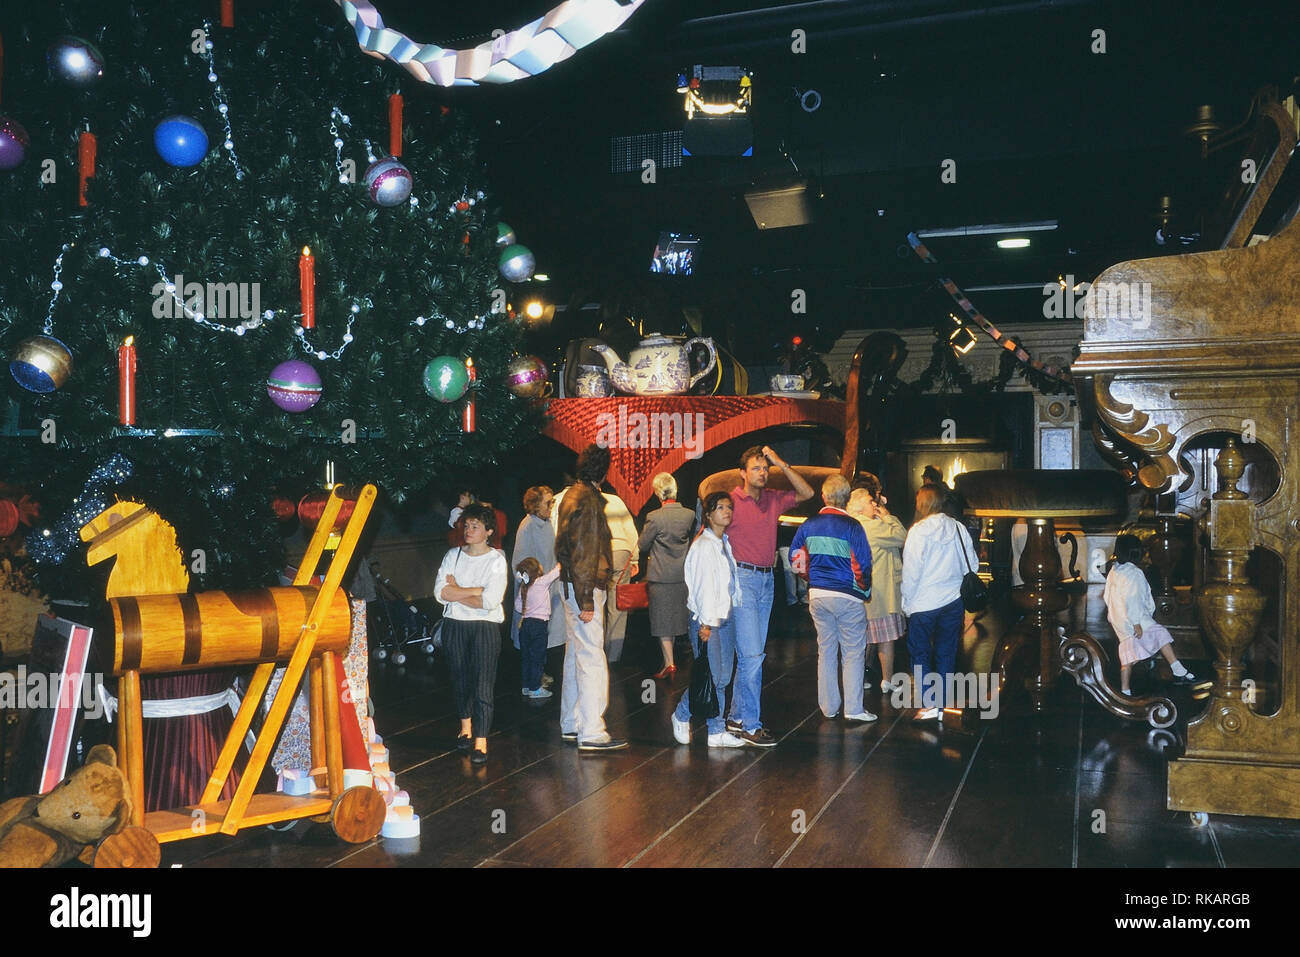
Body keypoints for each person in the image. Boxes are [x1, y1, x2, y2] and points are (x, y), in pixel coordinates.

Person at [725, 444, 815, 747]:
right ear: (742, 473)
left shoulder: (774, 499)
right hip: (741, 579)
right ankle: (751, 725)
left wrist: (780, 462)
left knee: (750, 656)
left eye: (766, 468)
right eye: (756, 468)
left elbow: (808, 494)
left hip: (766, 581)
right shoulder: (731, 503)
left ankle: (736, 717)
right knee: (752, 657)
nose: (763, 473)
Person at [554, 445, 628, 752]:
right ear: (605, 471)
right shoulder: (588, 501)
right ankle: (593, 731)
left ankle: (573, 724)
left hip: (571, 583)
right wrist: (586, 599)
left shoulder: (572, 496)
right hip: (584, 586)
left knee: (576, 654)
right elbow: (585, 553)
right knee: (592, 657)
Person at [790, 475, 876, 723]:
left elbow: (796, 559)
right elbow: (863, 563)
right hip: (847, 595)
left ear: (824, 496)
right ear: (847, 499)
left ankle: (828, 707)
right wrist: (863, 589)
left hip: (818, 594)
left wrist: (812, 578)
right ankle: (854, 708)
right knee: (852, 652)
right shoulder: (853, 526)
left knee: (826, 650)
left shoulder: (808, 524)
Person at [435, 503, 509, 765]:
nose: (468, 530)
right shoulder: (452, 556)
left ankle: (481, 741)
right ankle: (465, 728)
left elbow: (491, 601)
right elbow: (440, 593)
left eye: (475, 526)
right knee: (460, 679)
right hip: (455, 625)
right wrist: (475, 590)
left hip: (484, 628)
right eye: (466, 525)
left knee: (483, 684)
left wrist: (459, 590)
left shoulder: (496, 559)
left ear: (489, 531)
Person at [671, 491, 746, 748]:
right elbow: (702, 588)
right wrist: (705, 623)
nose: (727, 511)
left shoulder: (723, 542)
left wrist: (735, 606)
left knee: (723, 677)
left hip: (726, 617)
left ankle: (715, 731)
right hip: (708, 621)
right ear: (709, 513)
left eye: (729, 507)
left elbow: (730, 583)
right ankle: (681, 714)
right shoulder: (704, 546)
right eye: (721, 507)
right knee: (712, 676)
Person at [901, 485, 979, 721]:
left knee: (920, 654)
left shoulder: (918, 531)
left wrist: (906, 602)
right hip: (953, 601)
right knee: (946, 653)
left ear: (923, 503)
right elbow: (972, 565)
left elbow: (911, 573)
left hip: (923, 604)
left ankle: (928, 705)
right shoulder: (958, 527)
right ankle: (942, 705)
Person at [552, 459, 638, 664]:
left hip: (594, 558)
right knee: (617, 607)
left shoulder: (570, 500)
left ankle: (595, 648)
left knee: (594, 607)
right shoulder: (614, 501)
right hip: (620, 552)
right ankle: (612, 654)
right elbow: (631, 531)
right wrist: (635, 559)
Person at [1104, 533, 1206, 694]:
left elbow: (1107, 595)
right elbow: (1134, 598)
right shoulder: (1134, 573)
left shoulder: (1115, 570)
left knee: (1128, 655)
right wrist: (1136, 622)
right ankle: (1179, 671)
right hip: (1135, 618)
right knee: (1160, 635)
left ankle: (1125, 690)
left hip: (1120, 619)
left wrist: (1113, 615)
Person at [848, 481, 906, 693]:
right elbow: (901, 537)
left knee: (865, 638)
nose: (875, 504)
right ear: (860, 506)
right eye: (871, 501)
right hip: (882, 593)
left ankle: (860, 677)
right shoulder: (873, 525)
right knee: (885, 638)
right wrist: (888, 515)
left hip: (863, 591)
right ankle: (887, 680)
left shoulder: (853, 524)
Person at [637, 472, 695, 680]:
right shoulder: (688, 515)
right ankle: (673, 662)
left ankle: (669, 663)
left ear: (657, 492)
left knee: (662, 622)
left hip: (660, 578)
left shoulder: (654, 517)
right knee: (678, 619)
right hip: (681, 576)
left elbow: (643, 545)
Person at [512, 485, 562, 682]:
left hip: (546, 588)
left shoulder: (546, 522)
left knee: (542, 638)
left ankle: (538, 673)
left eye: (552, 501)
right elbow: (518, 563)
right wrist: (531, 585)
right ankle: (534, 678)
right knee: (533, 639)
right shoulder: (528, 526)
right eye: (548, 502)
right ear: (535, 505)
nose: (551, 506)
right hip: (533, 594)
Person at [514, 556, 561, 699]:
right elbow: (556, 572)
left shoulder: (524, 587)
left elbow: (517, 607)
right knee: (538, 658)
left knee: (526, 657)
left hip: (525, 626)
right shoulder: (541, 583)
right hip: (538, 626)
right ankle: (535, 689)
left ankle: (526, 686)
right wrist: (561, 561)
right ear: (537, 570)